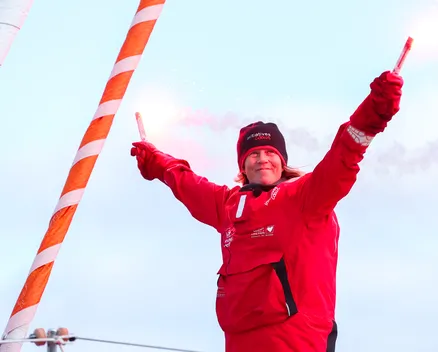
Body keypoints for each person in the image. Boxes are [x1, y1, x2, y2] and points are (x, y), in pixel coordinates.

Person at [131, 70, 404, 352]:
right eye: (253, 154)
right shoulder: (227, 205)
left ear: (282, 160)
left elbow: (342, 157)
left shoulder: (306, 197)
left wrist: (374, 111)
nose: (262, 159)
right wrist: (155, 161)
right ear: (242, 166)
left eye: (270, 152)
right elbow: (186, 182)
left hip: (298, 343)